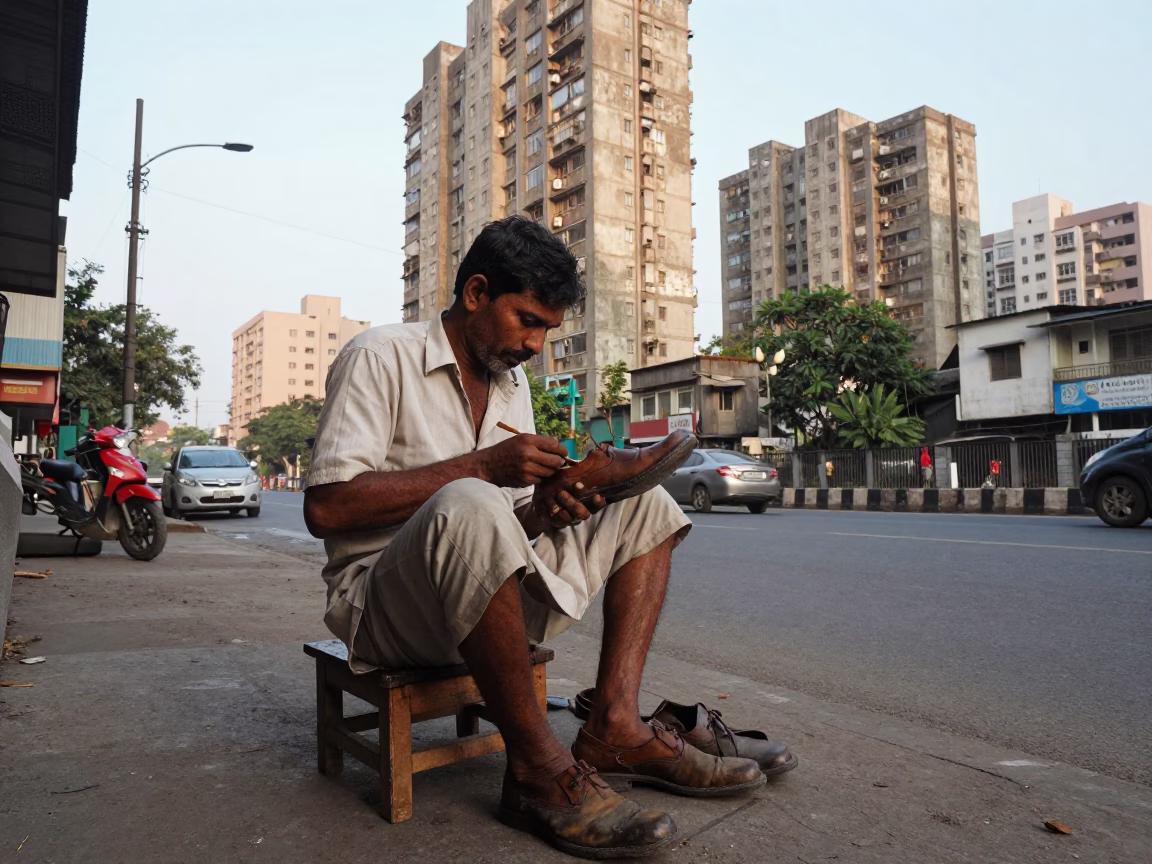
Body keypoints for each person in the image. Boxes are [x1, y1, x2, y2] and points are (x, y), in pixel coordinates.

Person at [303, 217, 794, 859]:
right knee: (472, 498)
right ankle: (535, 769)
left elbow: (500, 525)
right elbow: (327, 509)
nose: (536, 345)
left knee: (644, 506)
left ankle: (614, 723)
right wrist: (480, 470)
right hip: (384, 610)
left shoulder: (512, 385)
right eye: (528, 321)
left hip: (481, 598)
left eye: (547, 330)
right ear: (476, 293)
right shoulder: (379, 356)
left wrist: (545, 509)